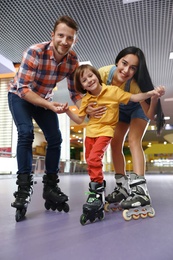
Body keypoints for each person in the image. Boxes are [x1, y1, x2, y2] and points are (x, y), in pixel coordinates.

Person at [60, 64, 164, 224]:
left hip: (105, 132)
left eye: (90, 76)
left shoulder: (112, 91)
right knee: (90, 161)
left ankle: (95, 192)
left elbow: (133, 98)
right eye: (84, 80)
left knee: (95, 158)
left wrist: (151, 93)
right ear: (81, 86)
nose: (89, 80)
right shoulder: (86, 99)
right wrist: (67, 111)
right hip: (90, 133)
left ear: (96, 75)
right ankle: (98, 188)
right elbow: (80, 120)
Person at [8, 15, 82, 221]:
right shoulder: (35, 52)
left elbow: (75, 93)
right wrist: (50, 104)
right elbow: (23, 89)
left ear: (74, 40)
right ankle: (24, 188)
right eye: (61, 36)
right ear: (52, 35)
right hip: (20, 96)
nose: (64, 42)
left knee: (56, 138)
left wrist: (87, 110)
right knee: (25, 133)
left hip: (43, 99)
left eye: (70, 38)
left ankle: (50, 186)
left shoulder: (72, 60)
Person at [86, 46, 165, 218]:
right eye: (124, 63)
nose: (126, 70)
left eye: (133, 68)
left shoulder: (135, 85)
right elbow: (87, 95)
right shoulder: (103, 74)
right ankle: (122, 187)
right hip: (118, 108)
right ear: (118, 60)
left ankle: (140, 191)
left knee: (133, 140)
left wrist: (155, 98)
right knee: (115, 143)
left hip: (137, 108)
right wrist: (88, 110)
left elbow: (149, 115)